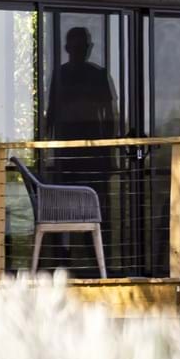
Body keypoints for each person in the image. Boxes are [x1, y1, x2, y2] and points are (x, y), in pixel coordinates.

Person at [43, 25, 121, 268]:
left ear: (89, 48)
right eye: (76, 46)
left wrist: (109, 153)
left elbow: (110, 116)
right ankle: (62, 264)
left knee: (97, 211)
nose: (80, 51)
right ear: (67, 48)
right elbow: (51, 113)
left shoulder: (98, 75)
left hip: (94, 157)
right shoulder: (60, 75)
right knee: (64, 209)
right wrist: (47, 149)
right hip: (67, 155)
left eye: (83, 46)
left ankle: (100, 264)